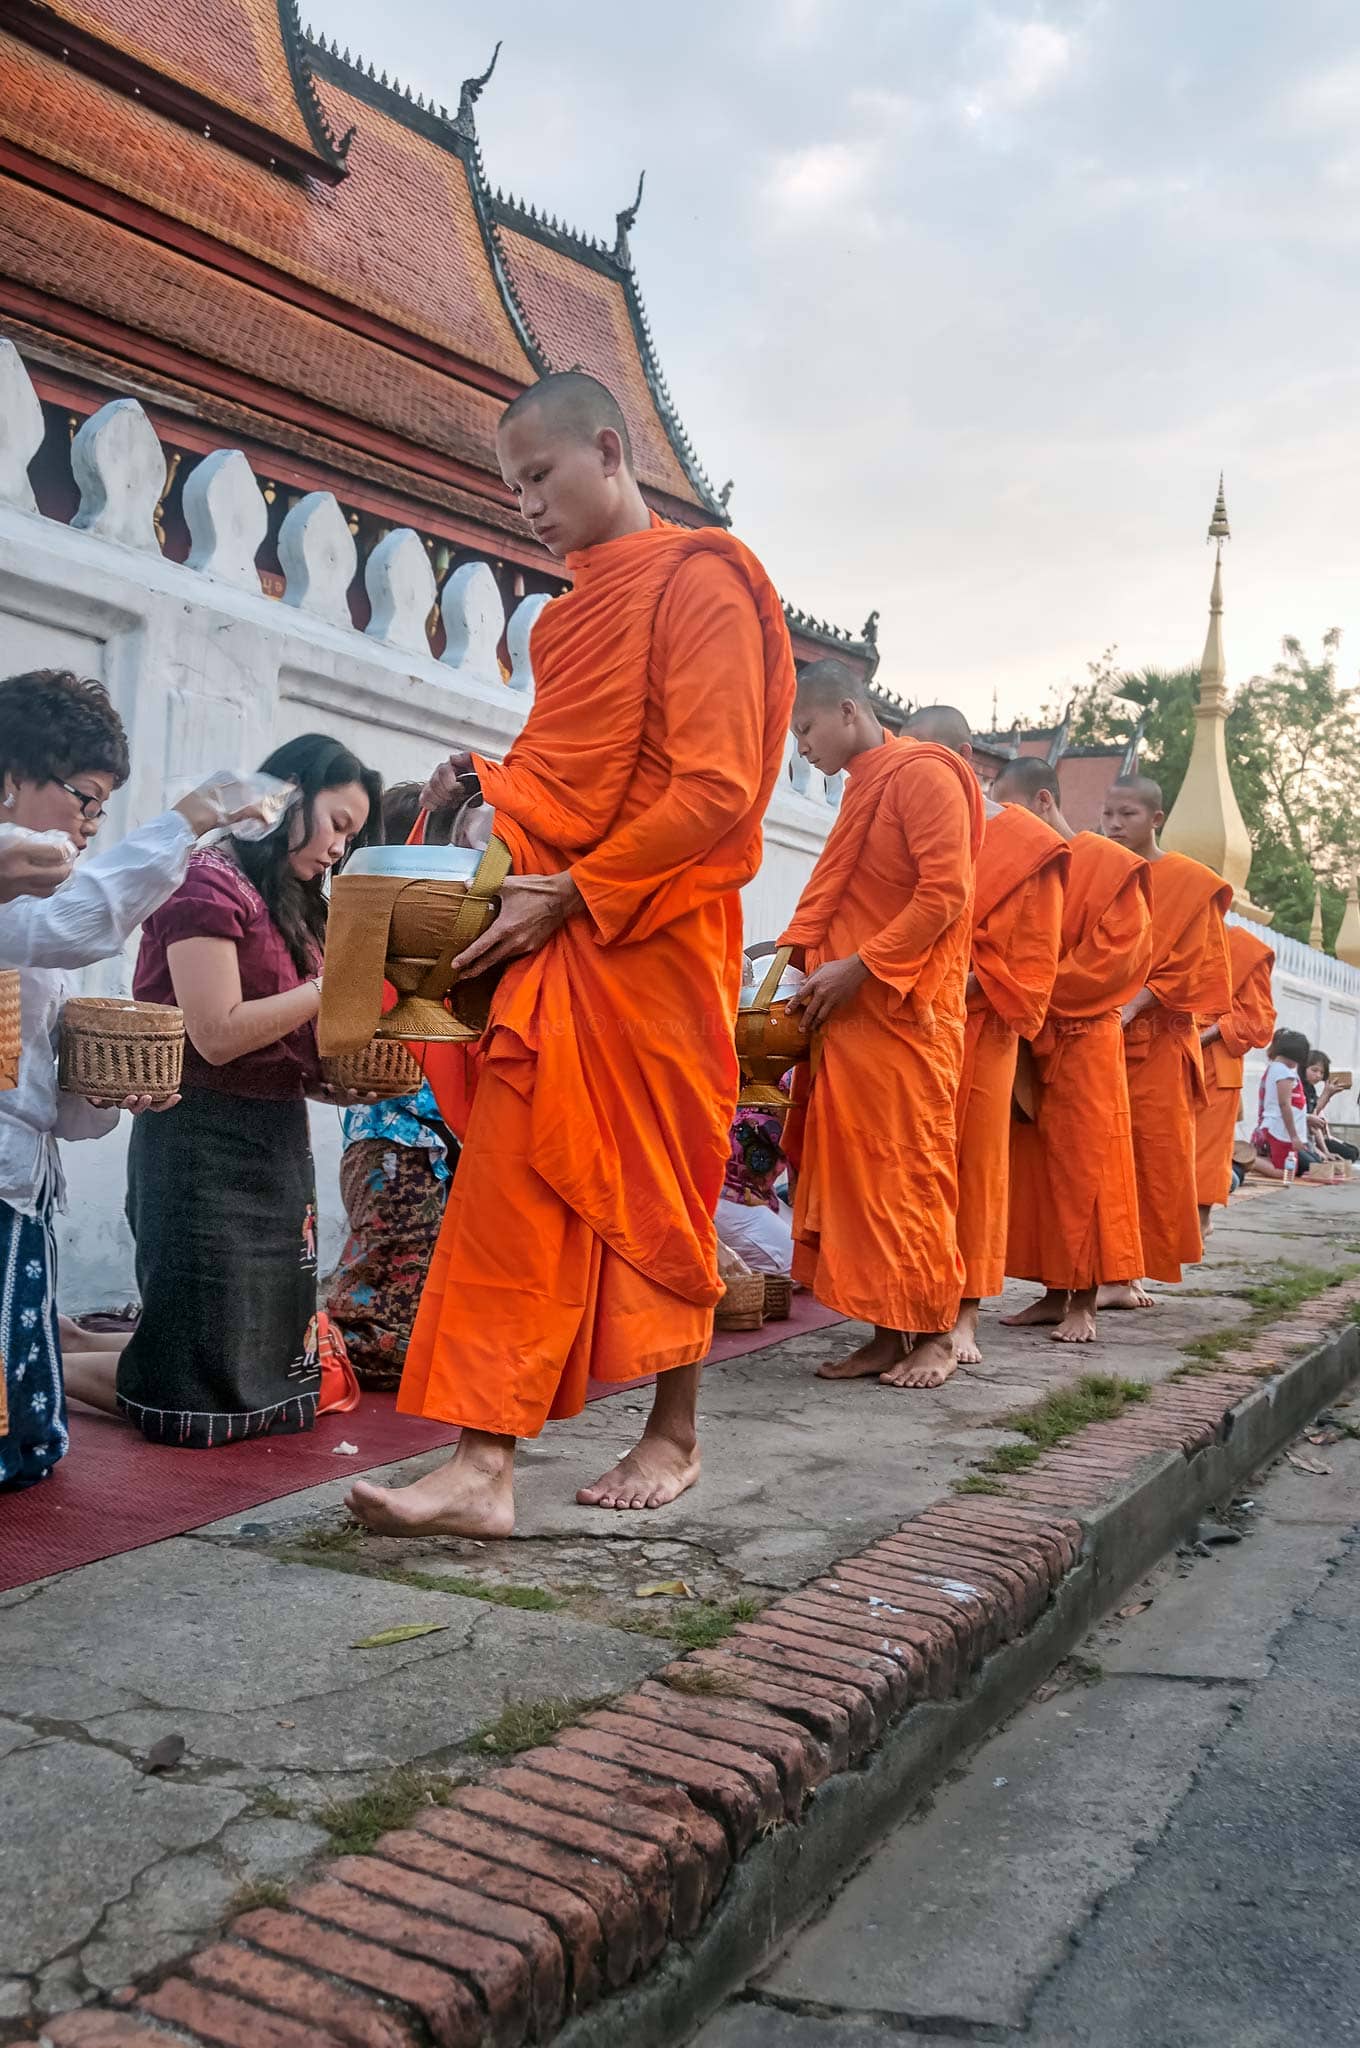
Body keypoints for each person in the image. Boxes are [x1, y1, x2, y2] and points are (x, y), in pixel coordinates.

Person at [342, 371, 796, 1539]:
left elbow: (714, 787)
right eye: (511, 490)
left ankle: (676, 1430)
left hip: (652, 942)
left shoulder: (700, 582)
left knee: (658, 1186)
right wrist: (487, 782)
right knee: (516, 1178)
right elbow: (569, 774)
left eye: (538, 478)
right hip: (562, 934)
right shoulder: (567, 616)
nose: (525, 507)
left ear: (608, 449)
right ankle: (482, 1462)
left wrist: (580, 893)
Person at [64, 735, 381, 1445]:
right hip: (199, 1140)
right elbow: (216, 1033)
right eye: (337, 824)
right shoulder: (206, 881)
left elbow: (284, 1041)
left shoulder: (293, 904)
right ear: (293, 793)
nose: (338, 849)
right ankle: (37, 1371)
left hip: (274, 1144)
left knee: (268, 1358)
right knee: (200, 1377)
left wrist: (337, 1087)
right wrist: (330, 988)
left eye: (351, 837)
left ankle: (51, 1353)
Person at [0, 668, 274, 1486]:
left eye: (100, 810)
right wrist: (189, 820)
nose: (89, 826)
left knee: (25, 1404)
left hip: (20, 1182)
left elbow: (32, 1069)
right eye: (82, 800)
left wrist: (97, 1094)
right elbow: (75, 922)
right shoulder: (16, 882)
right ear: (10, 781)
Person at [779, 664, 983, 1391]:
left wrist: (859, 966)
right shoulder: (867, 784)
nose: (800, 747)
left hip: (903, 1015)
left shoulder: (921, 775)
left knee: (911, 1177)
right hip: (854, 1018)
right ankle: (886, 1332)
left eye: (804, 729)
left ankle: (934, 1333)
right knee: (865, 1185)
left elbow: (945, 893)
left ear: (847, 710)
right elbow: (851, 895)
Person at [904, 709, 1068, 1364]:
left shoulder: (1026, 843)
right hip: (908, 1022)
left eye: (928, 761)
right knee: (908, 1170)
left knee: (973, 1168)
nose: (915, 777)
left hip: (978, 1024)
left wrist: (947, 988)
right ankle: (904, 1310)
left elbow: (1031, 960)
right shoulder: (905, 815)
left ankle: (964, 1313)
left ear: (965, 757)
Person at [991, 758, 1152, 1345]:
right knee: (1037, 1173)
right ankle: (1053, 1293)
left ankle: (1084, 1299)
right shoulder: (1022, 869)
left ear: (1040, 802)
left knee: (1086, 1170)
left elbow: (1117, 959)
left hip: (1084, 1039)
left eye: (1006, 813)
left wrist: (1027, 986)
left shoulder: (1110, 867)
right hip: (1030, 1039)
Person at [325, 785, 459, 1387]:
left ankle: (349, 1341)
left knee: (399, 1259)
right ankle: (339, 1348)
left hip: (406, 1139)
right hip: (399, 1140)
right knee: (389, 1264)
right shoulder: (391, 928)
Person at [1097, 775, 1232, 1305]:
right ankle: (1088, 1274)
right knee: (1093, 1155)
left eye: (1126, 814)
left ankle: (1123, 1276)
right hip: (1095, 1034)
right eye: (1108, 813)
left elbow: (1196, 968)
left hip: (1156, 1045)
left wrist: (1134, 1005)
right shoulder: (1100, 872)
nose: (1113, 825)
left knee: (1150, 1161)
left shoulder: (1190, 882)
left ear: (1155, 819)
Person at [1195, 924, 1276, 1228]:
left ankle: (1200, 1223)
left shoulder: (1243, 948)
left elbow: (1257, 1021)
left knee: (1206, 1152)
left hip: (1215, 1062)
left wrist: (1204, 1035)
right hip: (1158, 1057)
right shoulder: (1164, 933)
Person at [1251, 1028, 1310, 1178]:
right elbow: (1284, 1104)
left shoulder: (1276, 1069)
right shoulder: (1284, 1072)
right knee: (1285, 1173)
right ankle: (1245, 1159)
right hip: (1280, 1129)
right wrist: (1294, 1136)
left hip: (1279, 1128)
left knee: (1286, 1168)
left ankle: (1250, 1160)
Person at [1302, 1051, 1358, 1169]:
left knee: (1352, 1152)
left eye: (1322, 1072)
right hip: (1298, 1139)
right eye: (1314, 1070)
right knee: (1312, 1164)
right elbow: (1312, 1119)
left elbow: (1315, 1117)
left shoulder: (1311, 1090)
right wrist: (1327, 1094)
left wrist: (1326, 1152)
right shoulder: (1299, 1087)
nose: (1318, 1075)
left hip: (1313, 1138)